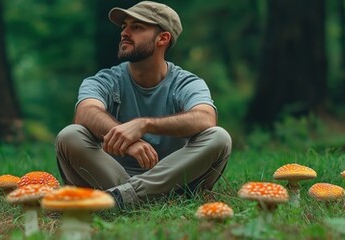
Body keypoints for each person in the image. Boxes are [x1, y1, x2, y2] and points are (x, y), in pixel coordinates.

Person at [55, 1, 232, 208]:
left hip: (175, 178)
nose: (124, 33)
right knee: (69, 135)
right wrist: (129, 140)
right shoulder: (105, 80)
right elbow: (85, 112)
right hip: (113, 177)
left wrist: (144, 124)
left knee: (219, 137)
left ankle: (120, 199)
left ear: (163, 38)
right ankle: (149, 197)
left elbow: (205, 118)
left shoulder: (187, 83)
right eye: (124, 27)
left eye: (137, 27)